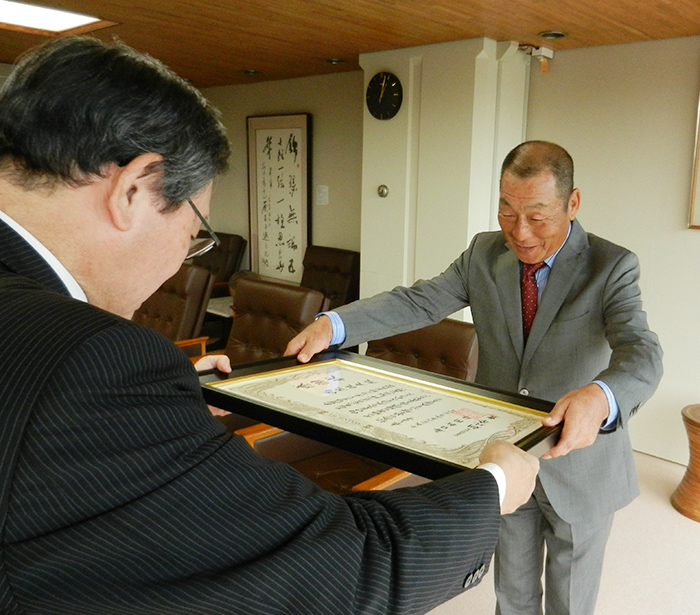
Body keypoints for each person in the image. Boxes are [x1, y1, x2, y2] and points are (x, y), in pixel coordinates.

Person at [0, 36, 539, 615]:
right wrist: (495, 487)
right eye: (192, 237)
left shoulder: (80, 358)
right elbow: (345, 571)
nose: (518, 228)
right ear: (132, 190)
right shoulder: (96, 358)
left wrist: (161, 398)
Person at [286, 140, 663, 615]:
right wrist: (334, 324)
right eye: (507, 211)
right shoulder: (484, 254)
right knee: (512, 586)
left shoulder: (611, 266)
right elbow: (416, 301)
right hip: (504, 449)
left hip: (580, 462)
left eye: (537, 216)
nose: (519, 232)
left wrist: (600, 396)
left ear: (573, 203)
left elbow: (642, 352)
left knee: (572, 595)